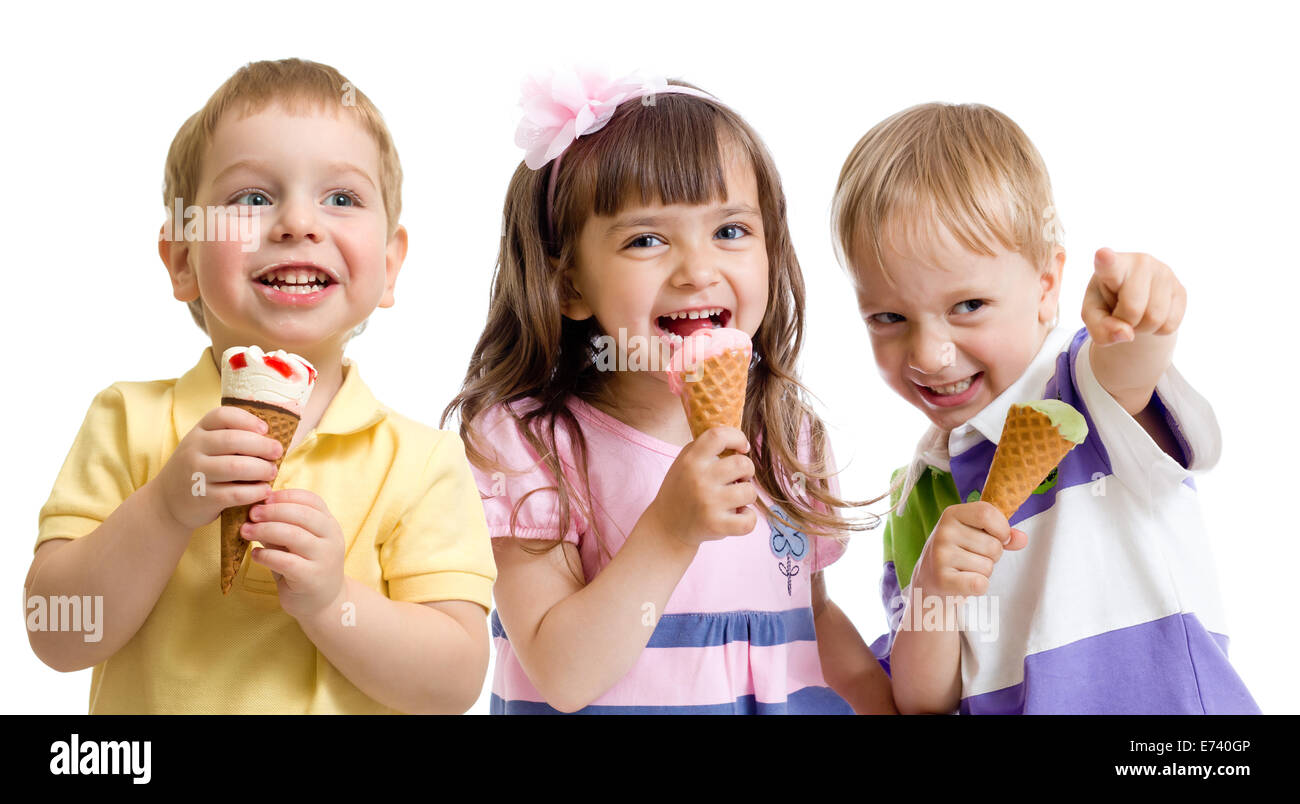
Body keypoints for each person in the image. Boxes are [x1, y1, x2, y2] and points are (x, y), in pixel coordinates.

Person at [25, 58, 496, 714]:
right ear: (183, 260)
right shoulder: (127, 420)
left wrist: (335, 604)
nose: (298, 223)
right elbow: (56, 633)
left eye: (341, 197)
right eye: (252, 197)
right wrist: (164, 508)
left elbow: (453, 684)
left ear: (389, 268)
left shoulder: (421, 463)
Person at [444, 69, 894, 714]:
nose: (698, 270)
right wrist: (670, 531)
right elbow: (562, 674)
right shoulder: (528, 443)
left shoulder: (787, 432)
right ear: (568, 284)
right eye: (646, 239)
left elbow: (814, 619)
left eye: (731, 230)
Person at [830, 102, 1258, 714]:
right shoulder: (915, 494)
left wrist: (1142, 315)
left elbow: (1129, 368)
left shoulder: (1084, 392)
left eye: (968, 305)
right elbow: (924, 699)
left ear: (1046, 286)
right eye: (889, 317)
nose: (929, 352)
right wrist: (935, 591)